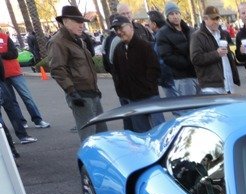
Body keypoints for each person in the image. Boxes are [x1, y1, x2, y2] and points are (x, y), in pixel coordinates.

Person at [49, 6, 108, 141]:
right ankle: (88, 156)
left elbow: (86, 65)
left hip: (91, 92)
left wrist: (95, 88)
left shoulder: (78, 39)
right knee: (89, 136)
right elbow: (57, 69)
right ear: (65, 21)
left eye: (82, 22)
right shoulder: (57, 42)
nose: (81, 25)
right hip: (80, 94)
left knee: (102, 134)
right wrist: (71, 91)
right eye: (77, 22)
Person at [109, 15, 164, 132]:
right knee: (140, 134)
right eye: (116, 29)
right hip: (132, 101)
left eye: (121, 28)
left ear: (130, 27)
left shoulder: (145, 46)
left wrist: (148, 86)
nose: (119, 32)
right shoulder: (118, 49)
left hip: (150, 97)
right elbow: (116, 73)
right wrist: (122, 91)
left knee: (159, 130)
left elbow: (155, 69)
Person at [0, 29, 50, 130]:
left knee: (27, 97)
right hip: (2, 76)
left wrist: (1, 55)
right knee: (12, 101)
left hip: (14, 73)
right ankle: (21, 122)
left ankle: (38, 120)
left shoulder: (5, 37)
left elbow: (14, 54)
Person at [191, 5, 240, 94]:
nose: (216, 21)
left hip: (228, 84)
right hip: (211, 87)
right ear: (205, 19)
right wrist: (216, 54)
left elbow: (228, 57)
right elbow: (196, 58)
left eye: (217, 18)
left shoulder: (223, 34)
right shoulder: (197, 36)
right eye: (213, 19)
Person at [157, 2, 198, 98]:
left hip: (196, 73)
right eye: (171, 14)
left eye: (177, 13)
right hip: (181, 77)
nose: (175, 16)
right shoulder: (162, 33)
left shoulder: (190, 30)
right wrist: (188, 63)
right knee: (188, 104)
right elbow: (167, 57)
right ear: (167, 16)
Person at [148, 10, 176, 99]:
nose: (148, 24)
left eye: (149, 22)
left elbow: (162, 60)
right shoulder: (169, 31)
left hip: (168, 78)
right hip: (173, 77)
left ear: (154, 24)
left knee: (174, 104)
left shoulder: (160, 36)